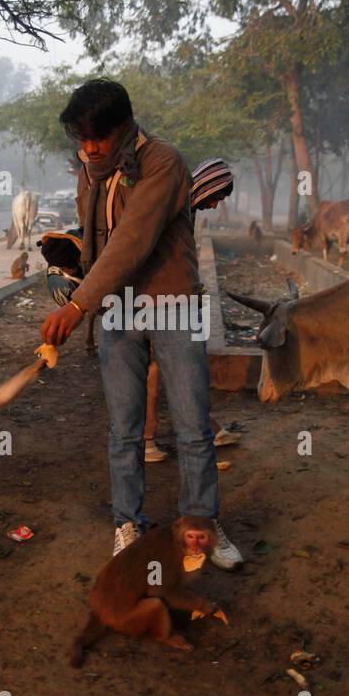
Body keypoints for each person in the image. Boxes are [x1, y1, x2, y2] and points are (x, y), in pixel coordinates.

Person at [40, 80, 242, 569]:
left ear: (125, 129)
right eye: (82, 139)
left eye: (98, 138)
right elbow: (96, 241)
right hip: (117, 310)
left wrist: (78, 306)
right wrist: (72, 275)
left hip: (171, 304)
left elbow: (132, 241)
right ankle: (128, 523)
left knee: (193, 427)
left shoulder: (163, 162)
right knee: (124, 429)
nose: (89, 149)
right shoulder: (91, 170)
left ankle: (201, 524)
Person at [144, 158, 240, 483]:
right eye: (216, 197)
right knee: (159, 368)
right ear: (208, 187)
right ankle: (146, 439)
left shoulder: (185, 205)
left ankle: (207, 428)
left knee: (178, 366)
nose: (214, 205)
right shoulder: (172, 205)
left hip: (169, 298)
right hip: (156, 298)